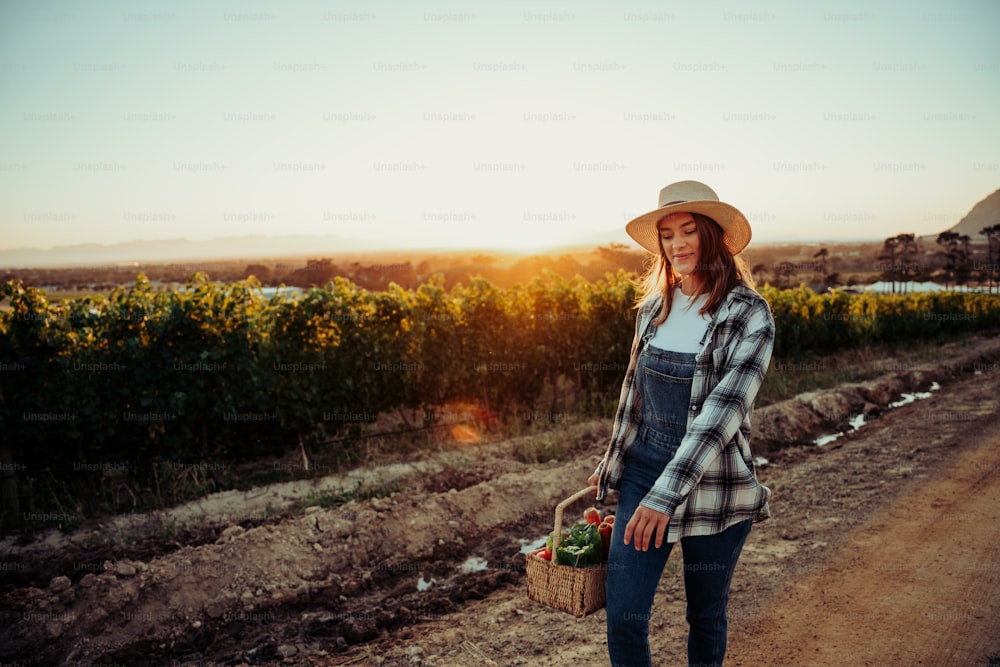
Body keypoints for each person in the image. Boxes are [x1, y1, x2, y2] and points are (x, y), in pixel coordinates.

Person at [587, 180, 774, 667]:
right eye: (667, 235)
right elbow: (633, 397)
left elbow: (721, 416)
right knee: (624, 617)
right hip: (646, 468)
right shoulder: (653, 310)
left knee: (705, 616)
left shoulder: (750, 314)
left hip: (715, 480)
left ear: (715, 237)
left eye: (689, 231)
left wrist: (665, 497)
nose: (678, 244)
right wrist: (614, 462)